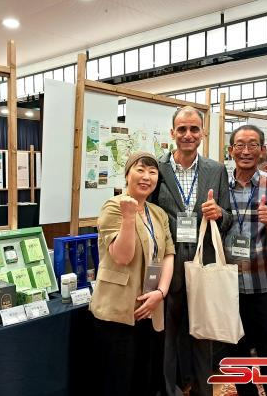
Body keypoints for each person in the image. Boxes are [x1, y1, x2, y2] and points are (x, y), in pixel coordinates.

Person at [150, 106, 232, 396]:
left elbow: (229, 218)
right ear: (172, 132)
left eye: (194, 129)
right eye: (182, 129)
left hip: (203, 263)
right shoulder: (156, 169)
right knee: (165, 336)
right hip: (167, 264)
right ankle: (167, 390)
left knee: (202, 335)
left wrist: (219, 213)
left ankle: (202, 391)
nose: (188, 135)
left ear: (203, 133)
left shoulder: (216, 170)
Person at [90, 151, 175, 396]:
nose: (146, 177)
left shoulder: (157, 213)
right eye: (140, 170)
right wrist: (128, 216)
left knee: (145, 379)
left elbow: (168, 254)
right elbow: (122, 256)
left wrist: (161, 292)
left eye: (152, 172)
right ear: (127, 175)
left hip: (151, 307)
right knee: (118, 381)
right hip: (117, 310)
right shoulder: (113, 207)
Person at [224, 125, 267, 396]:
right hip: (229, 284)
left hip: (265, 283)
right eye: (239, 145)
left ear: (263, 150)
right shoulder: (220, 186)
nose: (246, 151)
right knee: (236, 348)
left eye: (253, 145)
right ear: (230, 150)